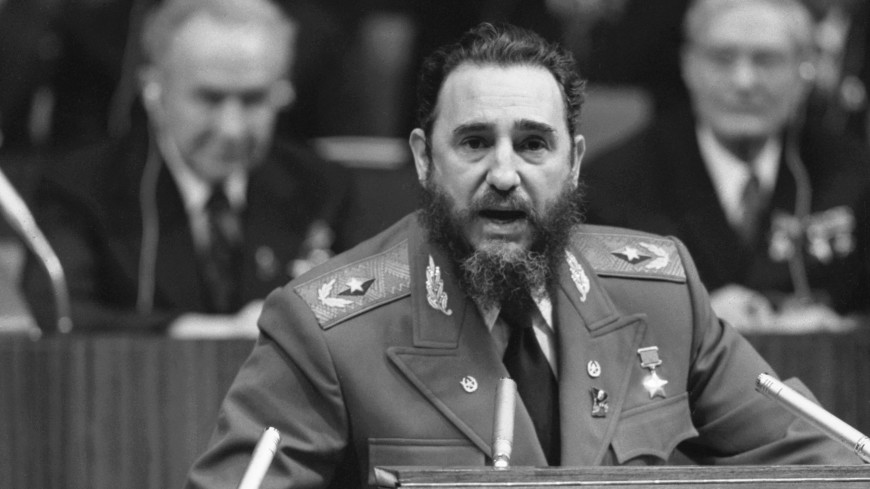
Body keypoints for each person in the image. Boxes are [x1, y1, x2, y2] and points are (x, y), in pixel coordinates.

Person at [185, 21, 861, 488]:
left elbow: (831, 465)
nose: (504, 174)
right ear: (424, 159)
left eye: (533, 144)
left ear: (575, 162)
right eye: (475, 142)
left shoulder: (660, 293)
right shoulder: (327, 329)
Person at [20, 0, 354, 336]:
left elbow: (366, 307)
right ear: (154, 89)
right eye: (210, 98)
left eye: (253, 99)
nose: (231, 129)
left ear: (283, 92)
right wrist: (202, 333)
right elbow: (61, 315)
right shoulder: (78, 188)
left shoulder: (321, 184)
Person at [581, 0, 870, 331]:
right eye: (722, 58)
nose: (744, 81)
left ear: (805, 70)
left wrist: (841, 329)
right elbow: (594, 322)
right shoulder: (615, 182)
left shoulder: (854, 175)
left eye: (766, 60)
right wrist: (693, 321)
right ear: (688, 65)